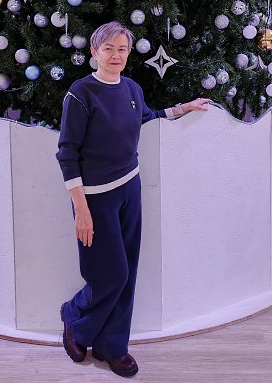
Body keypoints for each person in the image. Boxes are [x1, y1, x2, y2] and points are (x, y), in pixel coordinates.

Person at [56, 21, 212, 378]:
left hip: (130, 189)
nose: (116, 55)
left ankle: (112, 346)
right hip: (95, 198)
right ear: (94, 52)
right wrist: (81, 210)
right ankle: (74, 317)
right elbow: (67, 154)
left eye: (122, 49)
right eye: (108, 48)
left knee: (127, 274)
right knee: (111, 275)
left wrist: (185, 107)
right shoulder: (81, 94)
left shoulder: (132, 89)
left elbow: (148, 116)